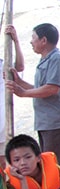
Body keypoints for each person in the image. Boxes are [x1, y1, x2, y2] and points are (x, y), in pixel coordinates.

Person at [5, 23, 60, 183]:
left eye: (33, 38)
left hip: (55, 121)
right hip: (45, 121)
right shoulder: (45, 60)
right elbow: (40, 88)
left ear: (43, 40)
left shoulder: (56, 59)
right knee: (50, 162)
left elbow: (52, 88)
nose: (31, 42)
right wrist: (20, 82)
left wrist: (23, 93)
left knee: (57, 164)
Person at [0, 24, 25, 169]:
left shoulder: (4, 65)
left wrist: (15, 41)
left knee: (4, 165)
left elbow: (19, 67)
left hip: (3, 124)